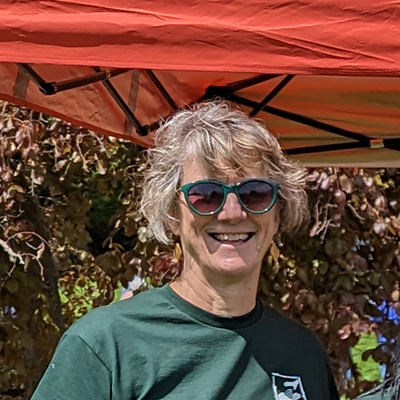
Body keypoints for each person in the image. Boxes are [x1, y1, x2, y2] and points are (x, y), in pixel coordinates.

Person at [31, 101, 339, 400]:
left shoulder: (302, 354)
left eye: (254, 194)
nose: (233, 213)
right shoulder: (106, 345)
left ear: (277, 216)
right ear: (172, 217)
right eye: (207, 195)